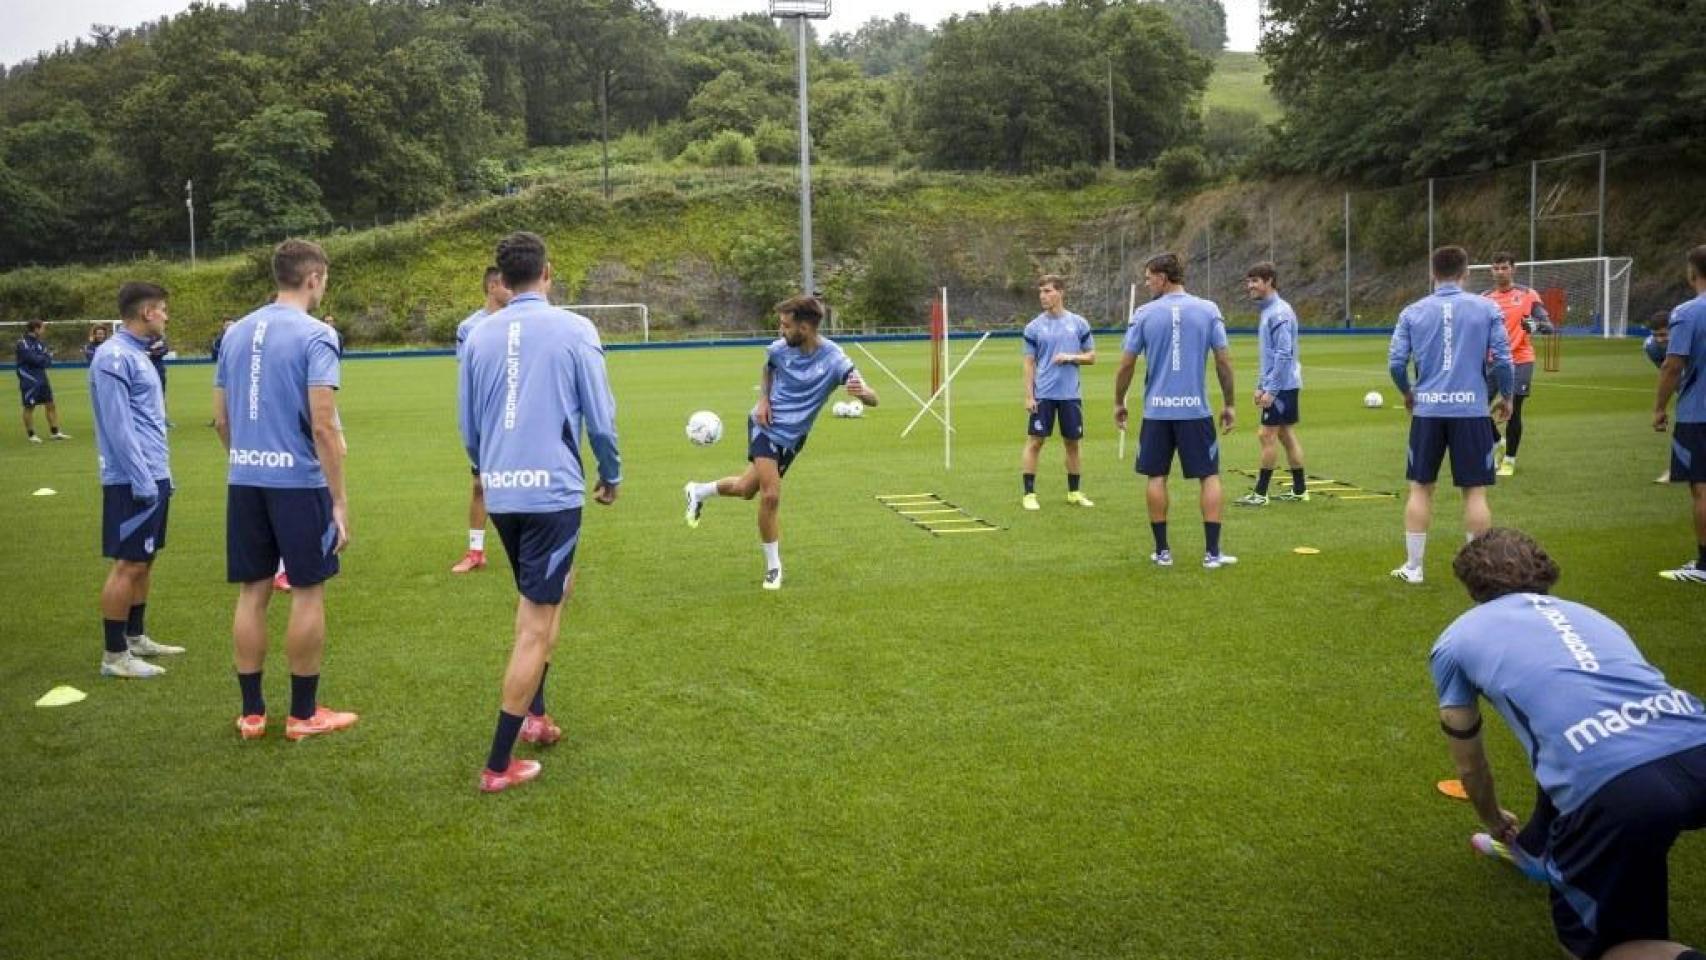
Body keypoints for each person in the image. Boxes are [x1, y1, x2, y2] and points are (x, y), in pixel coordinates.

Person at [1430, 528, 1706, 960]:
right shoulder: (1591, 614)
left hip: (1618, 791)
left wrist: (1491, 817)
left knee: (1601, 948)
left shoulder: (1455, 638)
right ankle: (1538, 848)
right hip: (1696, 741)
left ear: (1470, 585)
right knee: (1571, 749)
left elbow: (1469, 763)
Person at [459, 231, 621, 792]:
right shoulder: (575, 329)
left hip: (502, 492)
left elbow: (468, 425)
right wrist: (612, 470)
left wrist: (490, 468)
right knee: (536, 620)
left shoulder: (477, 335)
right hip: (551, 493)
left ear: (502, 279)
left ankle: (537, 716)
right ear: (547, 272)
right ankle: (498, 764)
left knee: (552, 593)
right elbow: (599, 417)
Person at [213, 239, 357, 741]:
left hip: (246, 479)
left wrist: (247, 459)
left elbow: (220, 419)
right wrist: (338, 500)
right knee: (307, 590)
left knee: (253, 592)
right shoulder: (317, 335)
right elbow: (323, 424)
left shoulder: (235, 333)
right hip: (298, 482)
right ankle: (302, 713)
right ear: (314, 277)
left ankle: (252, 713)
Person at [682, 295, 879, 590]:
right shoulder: (779, 349)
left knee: (746, 489)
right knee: (770, 496)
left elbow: (873, 398)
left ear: (806, 327)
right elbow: (768, 369)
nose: (781, 331)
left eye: (786, 325)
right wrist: (763, 399)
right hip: (764, 425)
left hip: (793, 438)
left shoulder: (836, 360)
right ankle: (774, 568)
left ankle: (697, 491)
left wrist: (861, 393)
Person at [1387, 245, 1513, 584]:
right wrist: (1508, 396)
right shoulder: (1486, 308)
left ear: (1432, 273)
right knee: (1474, 492)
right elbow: (1502, 359)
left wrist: (1407, 392)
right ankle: (1481, 571)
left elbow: (1396, 363)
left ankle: (1414, 568)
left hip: (1428, 411)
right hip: (1471, 411)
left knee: (1420, 487)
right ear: (1466, 272)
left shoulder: (1412, 311)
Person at [1113, 252, 1238, 569]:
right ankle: (1212, 553)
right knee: (1208, 476)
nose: (1146, 283)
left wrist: (1119, 401)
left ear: (1163, 277)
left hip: (1157, 412)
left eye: (1148, 278)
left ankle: (1163, 552)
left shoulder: (1144, 314)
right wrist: (1230, 403)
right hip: (1196, 411)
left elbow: (1126, 364)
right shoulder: (1208, 310)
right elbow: (1223, 360)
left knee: (1157, 476)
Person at [89, 283, 186, 678]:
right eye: (162, 309)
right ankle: (114, 656)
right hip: (131, 479)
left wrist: (163, 474)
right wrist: (141, 477)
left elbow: (148, 423)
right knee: (128, 563)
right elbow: (118, 426)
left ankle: (134, 637)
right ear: (147, 312)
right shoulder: (112, 357)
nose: (166, 315)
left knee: (145, 559)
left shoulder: (138, 354)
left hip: (153, 473)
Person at [451, 266, 513, 574]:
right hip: (489, 417)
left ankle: (531, 546)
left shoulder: (520, 321)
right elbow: (469, 378)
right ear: (492, 286)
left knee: (525, 481)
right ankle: (476, 551)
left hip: (519, 413)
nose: (512, 290)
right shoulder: (470, 328)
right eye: (506, 285)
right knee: (480, 485)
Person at [1018, 274, 1096, 511]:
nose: (1043, 296)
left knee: (1073, 443)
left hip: (1070, 395)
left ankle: (1074, 492)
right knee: (1036, 442)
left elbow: (1091, 356)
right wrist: (1030, 396)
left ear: (1061, 292)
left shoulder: (1079, 323)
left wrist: (1071, 357)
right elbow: (1029, 363)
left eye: (1048, 291)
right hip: (1044, 394)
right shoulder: (1034, 327)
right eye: (1041, 292)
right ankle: (1029, 494)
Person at [1653, 244, 1706, 584]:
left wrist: (1659, 407)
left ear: (1691, 273)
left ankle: (1703, 565)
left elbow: (1673, 365)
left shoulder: (1688, 312)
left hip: (1698, 413)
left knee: (1701, 488)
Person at [1235, 262, 1308, 506]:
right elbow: (1269, 354)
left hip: (1283, 386)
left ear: (1269, 281)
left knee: (1266, 435)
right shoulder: (1269, 311)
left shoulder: (1279, 313)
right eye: (1248, 281)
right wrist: (1260, 384)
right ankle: (1299, 490)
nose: (1250, 286)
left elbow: (1283, 354)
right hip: (1282, 384)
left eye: (1255, 281)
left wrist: (1271, 390)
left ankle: (1261, 493)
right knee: (1285, 435)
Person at [1481, 252, 1552, 477]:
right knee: (1475, 408)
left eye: (1504, 268)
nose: (1500, 272)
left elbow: (1546, 326)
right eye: (1496, 268)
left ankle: (1509, 460)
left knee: (1514, 410)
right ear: (1491, 271)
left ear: (1513, 269)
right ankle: (1496, 441)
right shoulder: (1484, 298)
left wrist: (1529, 324)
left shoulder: (1527, 295)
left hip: (1520, 360)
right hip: (1492, 362)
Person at [15, 319, 69, 442]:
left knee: (50, 404)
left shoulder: (40, 343)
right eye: (43, 328)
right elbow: (34, 360)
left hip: (42, 377)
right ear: (36, 329)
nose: (44, 331)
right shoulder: (23, 343)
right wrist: (45, 357)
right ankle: (31, 435)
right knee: (29, 406)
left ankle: (55, 432)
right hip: (29, 378)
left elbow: (46, 362)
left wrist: (45, 358)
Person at [1646, 310, 1672, 484]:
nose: (1660, 339)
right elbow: (1667, 373)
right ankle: (1677, 469)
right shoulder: (1651, 347)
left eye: (1664, 334)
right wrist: (1662, 407)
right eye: (1656, 335)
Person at [146, 332, 171, 427]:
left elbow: (164, 350)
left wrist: (151, 352)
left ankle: (165, 419)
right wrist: (153, 348)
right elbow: (141, 351)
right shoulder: (143, 337)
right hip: (146, 368)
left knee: (162, 394)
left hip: (159, 368)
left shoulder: (161, 338)